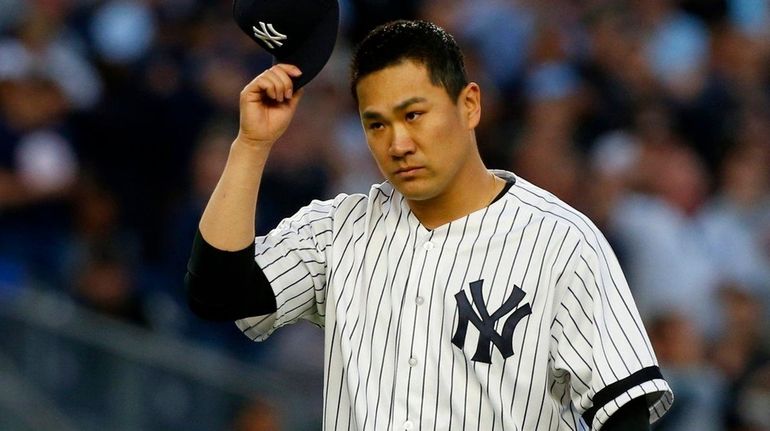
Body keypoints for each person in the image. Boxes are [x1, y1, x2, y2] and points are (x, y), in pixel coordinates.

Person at [186, 20, 673, 430]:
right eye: (376, 124)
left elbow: (623, 406)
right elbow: (217, 294)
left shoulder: (561, 240)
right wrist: (251, 145)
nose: (397, 143)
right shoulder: (337, 230)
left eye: (413, 114)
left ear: (469, 105)